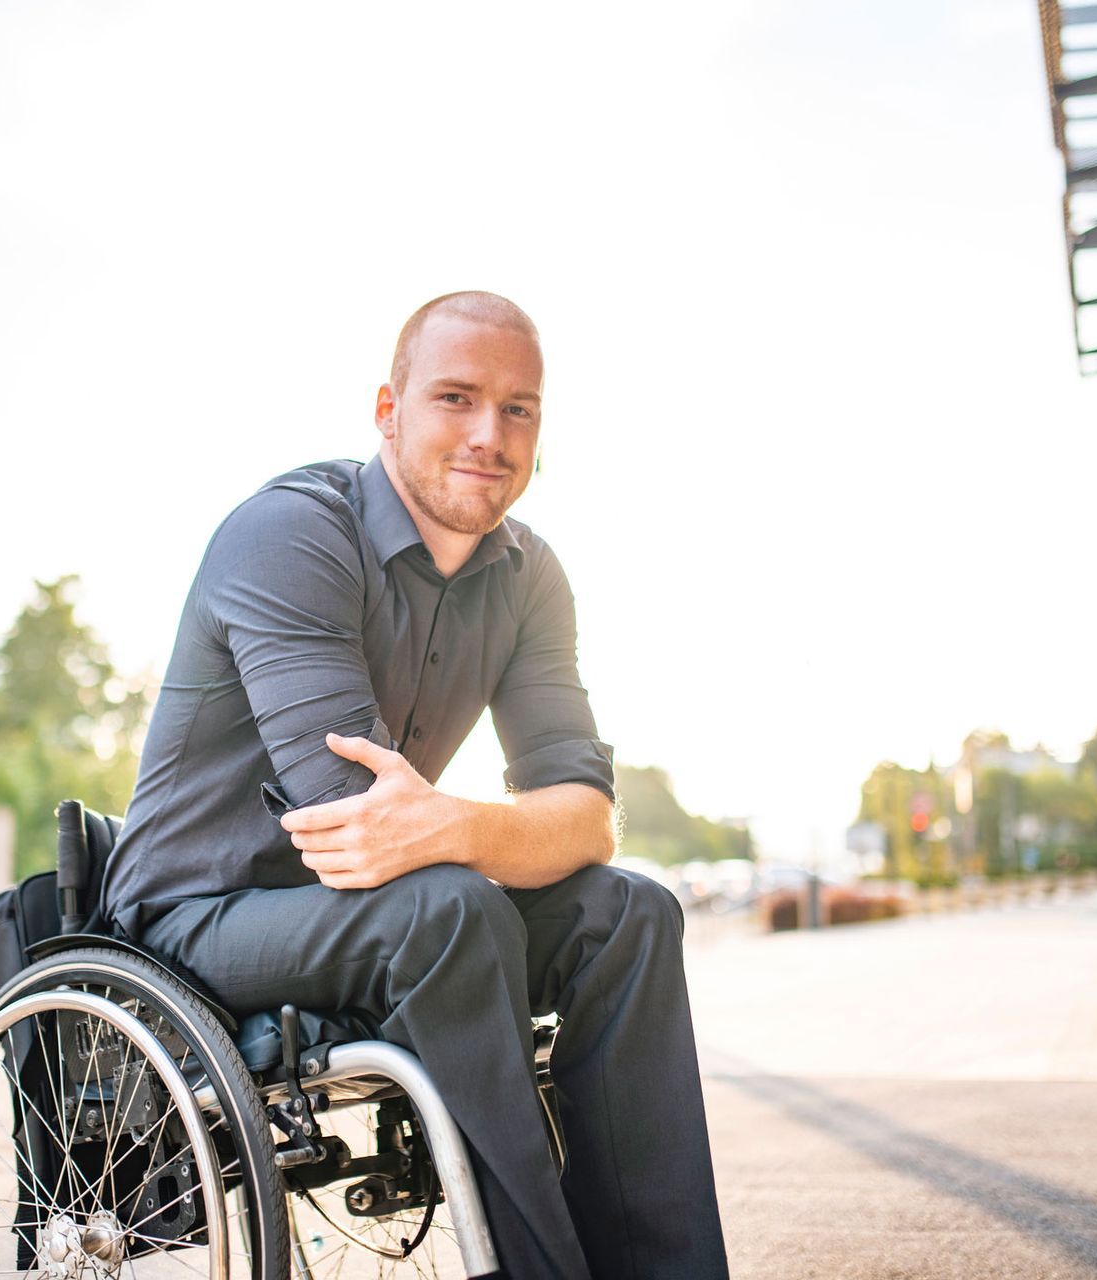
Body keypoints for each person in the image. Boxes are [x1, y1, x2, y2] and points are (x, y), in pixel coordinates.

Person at [102, 291, 731, 1279]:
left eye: (519, 408)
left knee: (633, 910)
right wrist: (473, 830)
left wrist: (457, 821)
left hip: (378, 909)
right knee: (446, 909)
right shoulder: (287, 534)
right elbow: (350, 823)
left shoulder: (530, 575)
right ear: (388, 409)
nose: (490, 433)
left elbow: (586, 815)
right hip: (196, 915)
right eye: (456, 397)